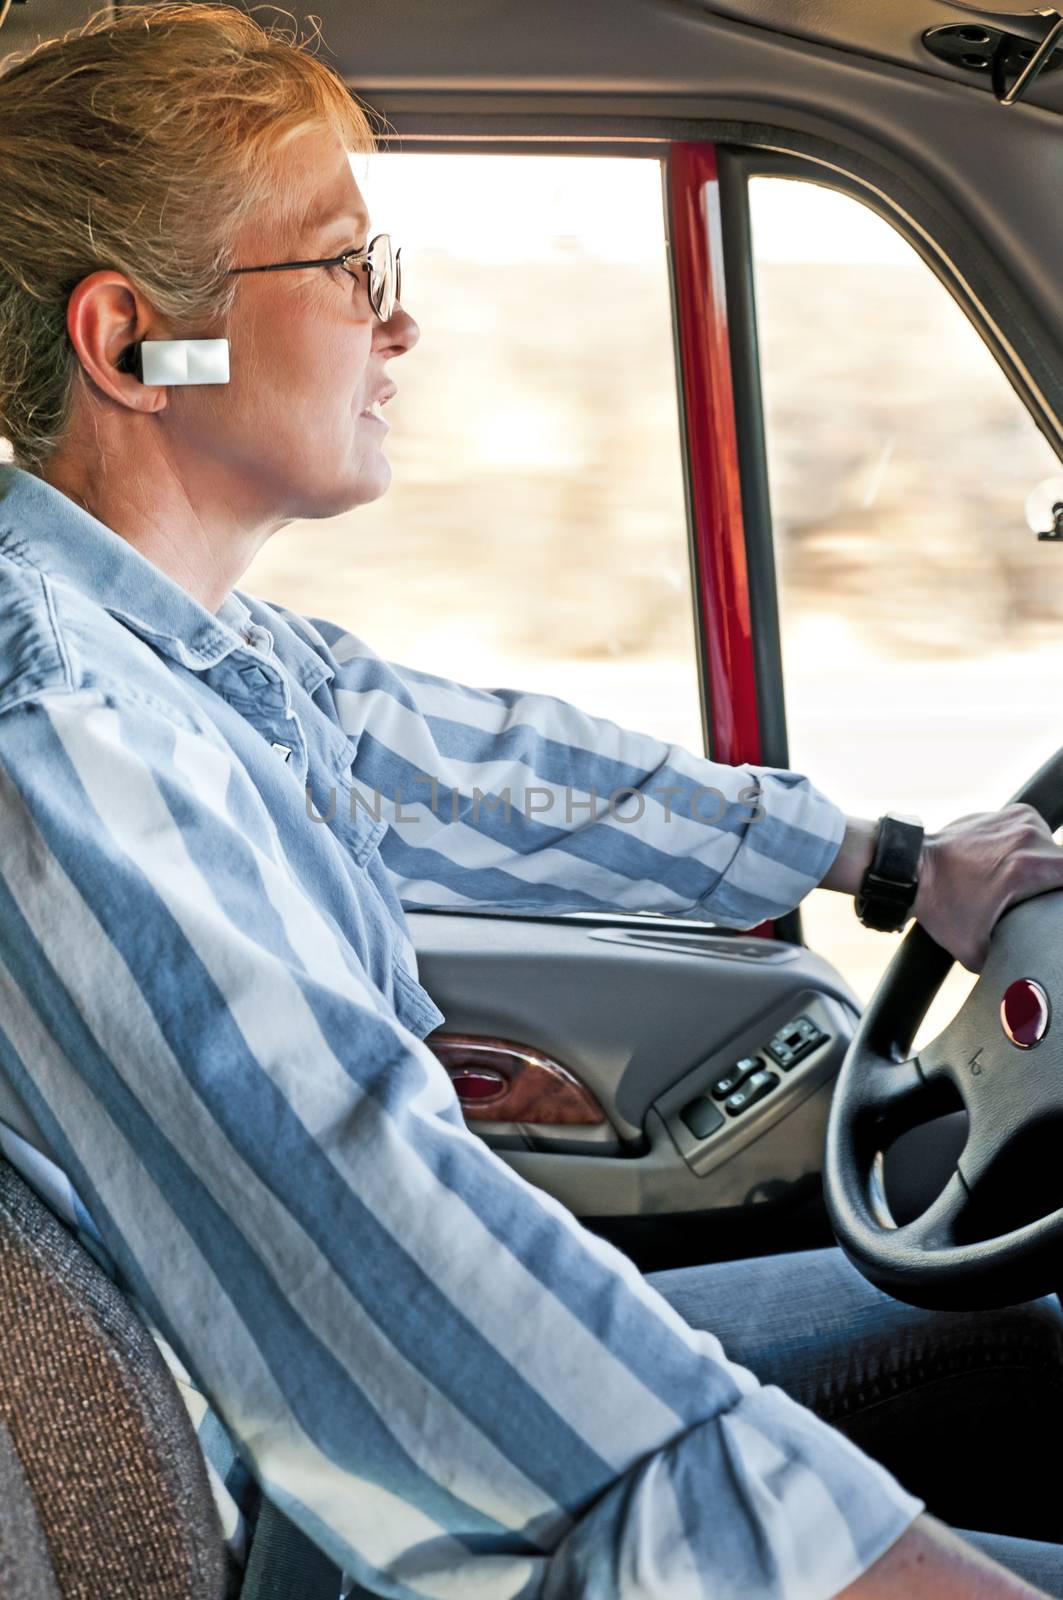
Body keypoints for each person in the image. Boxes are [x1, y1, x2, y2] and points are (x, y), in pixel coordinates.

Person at [0, 5, 1061, 1596]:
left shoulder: (184, 652)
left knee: (1008, 1342)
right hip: (301, 1532)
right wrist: (862, 1565)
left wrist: (893, 860)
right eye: (351, 271)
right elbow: (368, 1232)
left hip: (317, 1477)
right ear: (131, 342)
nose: (398, 328)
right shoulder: (61, 730)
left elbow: (489, 760)